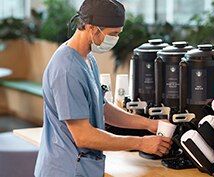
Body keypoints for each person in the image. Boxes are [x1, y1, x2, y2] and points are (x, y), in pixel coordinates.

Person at [34, 0, 172, 176]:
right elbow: (83, 135)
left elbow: (102, 107)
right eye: (112, 34)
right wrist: (141, 143)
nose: (115, 39)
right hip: (65, 169)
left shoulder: (87, 58)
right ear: (91, 27)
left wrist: (150, 124)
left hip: (82, 167)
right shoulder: (66, 69)